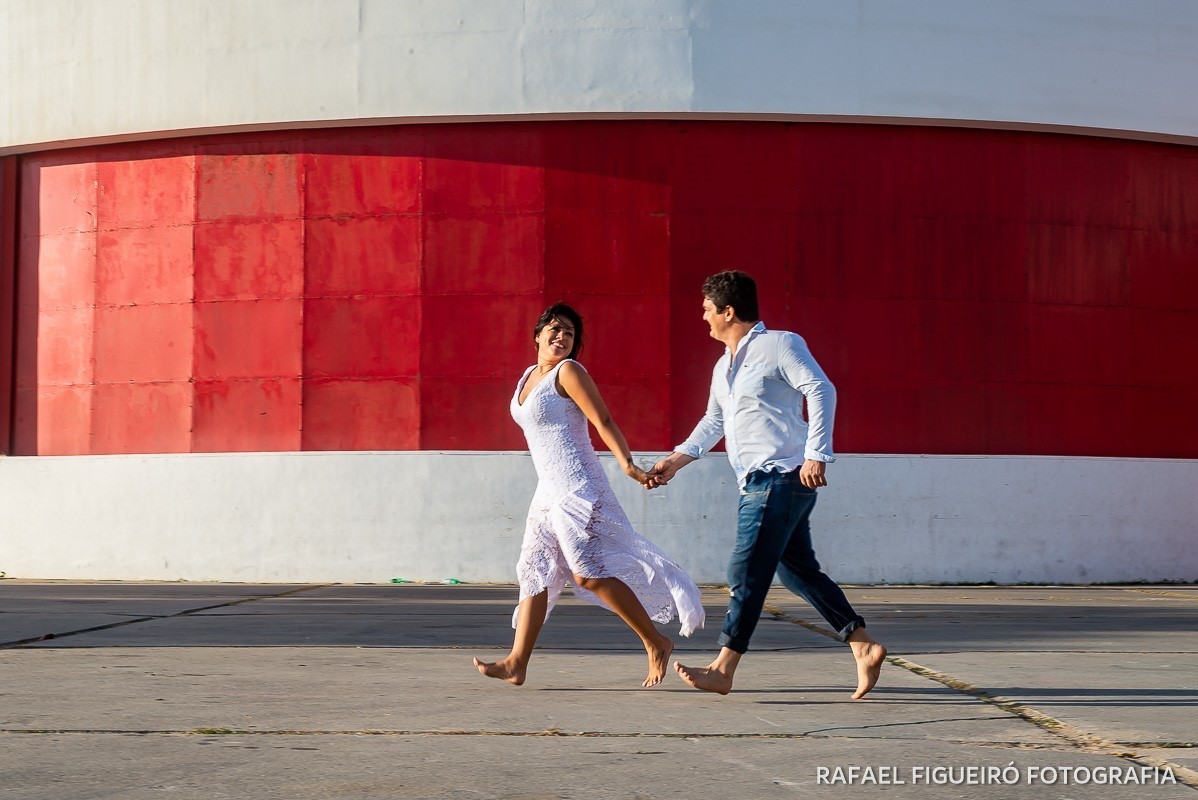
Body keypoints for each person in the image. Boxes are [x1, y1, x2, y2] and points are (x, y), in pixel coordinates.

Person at [647, 270, 886, 698]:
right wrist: (676, 461)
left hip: (781, 476)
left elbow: (820, 387)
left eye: (706, 310)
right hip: (758, 481)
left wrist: (818, 453)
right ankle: (862, 644)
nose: (703, 318)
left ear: (728, 311)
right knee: (798, 573)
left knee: (745, 572)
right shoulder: (723, 367)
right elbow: (713, 422)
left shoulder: (780, 344)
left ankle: (723, 667)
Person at [474, 303, 704, 688]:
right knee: (534, 572)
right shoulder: (528, 377)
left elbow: (604, 420)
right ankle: (516, 662)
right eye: (555, 329)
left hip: (580, 487)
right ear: (537, 334)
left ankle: (655, 641)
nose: (562, 337)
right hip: (547, 491)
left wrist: (629, 466)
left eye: (570, 333)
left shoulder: (570, 372)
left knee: (587, 574)